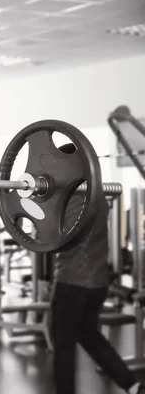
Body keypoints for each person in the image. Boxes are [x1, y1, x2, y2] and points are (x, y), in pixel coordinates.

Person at [51, 143, 144, 394]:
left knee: (63, 345)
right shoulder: (98, 196)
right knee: (89, 335)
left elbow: (54, 238)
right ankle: (132, 385)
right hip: (97, 284)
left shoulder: (68, 198)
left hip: (72, 283)